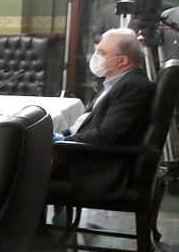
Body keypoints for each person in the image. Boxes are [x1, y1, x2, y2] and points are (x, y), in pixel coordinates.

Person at [51, 28, 154, 195]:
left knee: (17, 165)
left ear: (122, 61)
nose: (95, 57)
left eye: (101, 53)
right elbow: (85, 123)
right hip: (80, 154)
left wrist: (63, 141)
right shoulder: (115, 81)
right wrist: (62, 135)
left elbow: (107, 135)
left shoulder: (132, 86)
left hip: (94, 166)